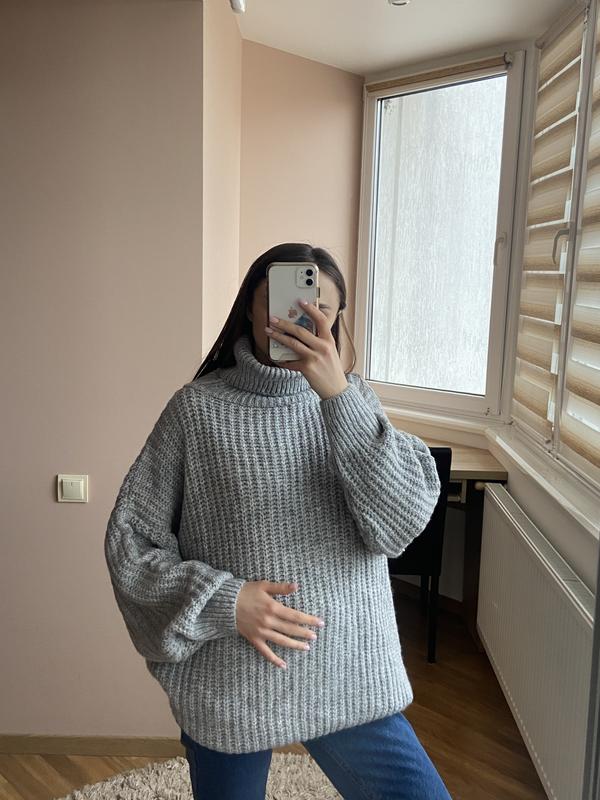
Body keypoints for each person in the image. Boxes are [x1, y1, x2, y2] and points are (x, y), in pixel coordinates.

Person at [104, 242, 452, 799]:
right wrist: (224, 601)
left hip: (348, 670)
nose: (300, 318)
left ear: (335, 320)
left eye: (319, 309)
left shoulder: (355, 402)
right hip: (232, 680)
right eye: (284, 301)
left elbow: (397, 529)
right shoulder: (196, 410)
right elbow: (131, 541)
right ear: (251, 306)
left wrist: (337, 396)